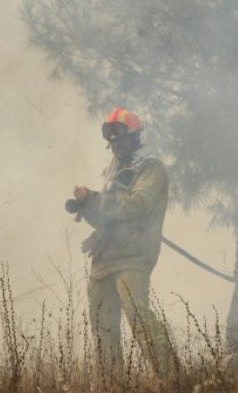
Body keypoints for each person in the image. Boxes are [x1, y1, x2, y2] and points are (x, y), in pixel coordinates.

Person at [73, 107, 179, 378]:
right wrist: (87, 207)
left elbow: (139, 205)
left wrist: (97, 200)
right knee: (102, 328)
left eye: (120, 139)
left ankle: (175, 383)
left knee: (139, 318)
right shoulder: (112, 170)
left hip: (133, 257)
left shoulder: (150, 168)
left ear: (135, 136)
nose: (116, 145)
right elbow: (106, 217)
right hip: (104, 261)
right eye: (112, 141)